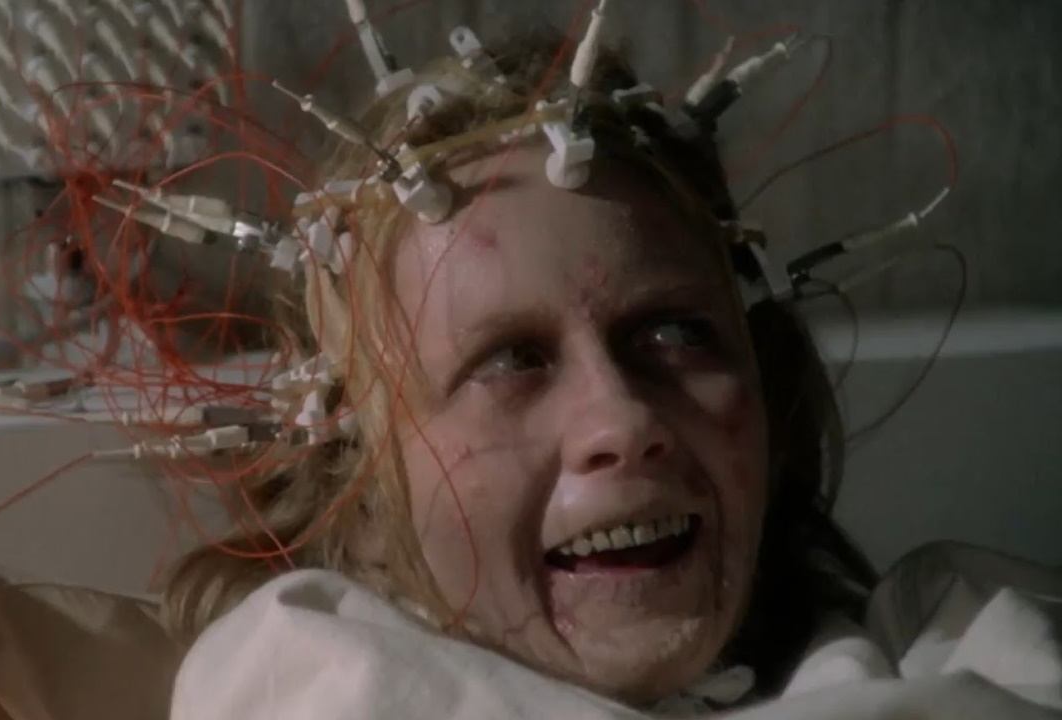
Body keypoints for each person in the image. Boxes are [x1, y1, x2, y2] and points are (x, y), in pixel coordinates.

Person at [162, 29, 1062, 720]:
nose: (625, 422)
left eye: (674, 333)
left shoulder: (966, 642)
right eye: (511, 360)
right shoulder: (305, 677)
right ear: (356, 495)